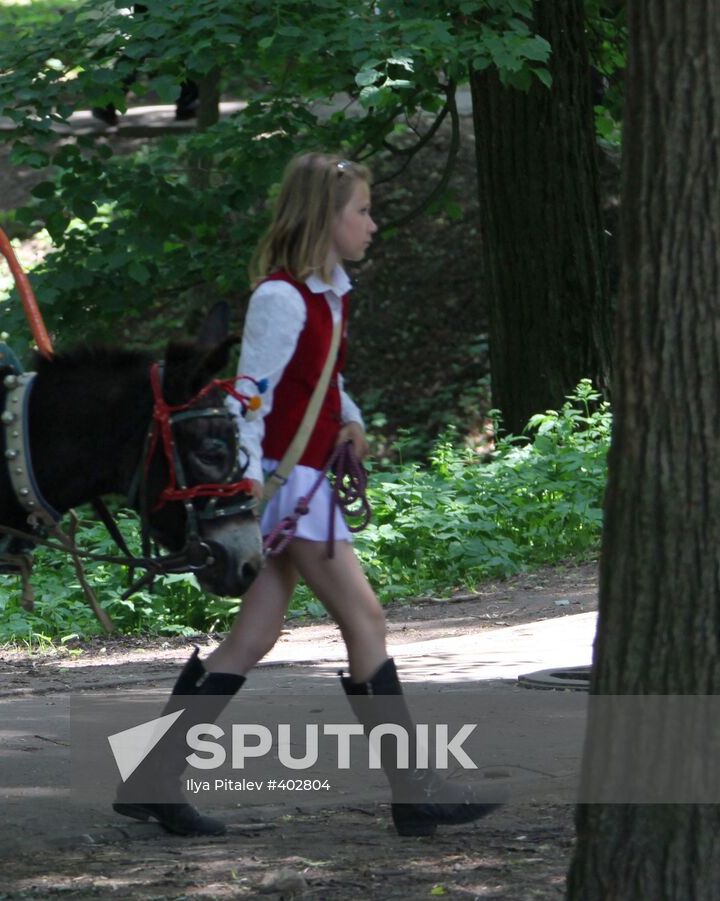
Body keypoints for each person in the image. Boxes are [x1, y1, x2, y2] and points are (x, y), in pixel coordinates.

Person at [113, 152, 502, 838]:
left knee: (254, 636)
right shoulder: (281, 297)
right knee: (366, 618)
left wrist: (348, 417)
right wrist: (252, 487)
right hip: (289, 482)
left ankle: (151, 777)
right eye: (361, 211)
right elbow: (251, 394)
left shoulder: (328, 292)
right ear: (326, 218)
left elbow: (319, 377)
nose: (372, 224)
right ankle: (413, 791)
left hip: (304, 476)